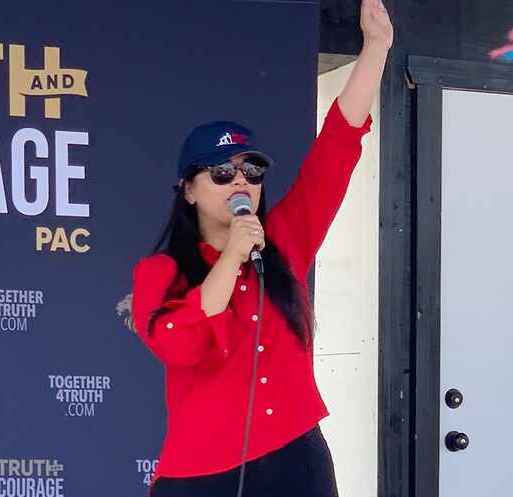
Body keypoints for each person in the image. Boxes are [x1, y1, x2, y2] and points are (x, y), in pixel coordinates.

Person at [131, 1, 393, 495]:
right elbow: (178, 346)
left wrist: (376, 46)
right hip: (204, 471)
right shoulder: (160, 272)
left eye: (251, 171)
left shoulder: (285, 238)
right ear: (188, 189)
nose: (241, 182)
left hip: (297, 456)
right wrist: (230, 259)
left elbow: (336, 149)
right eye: (222, 173)